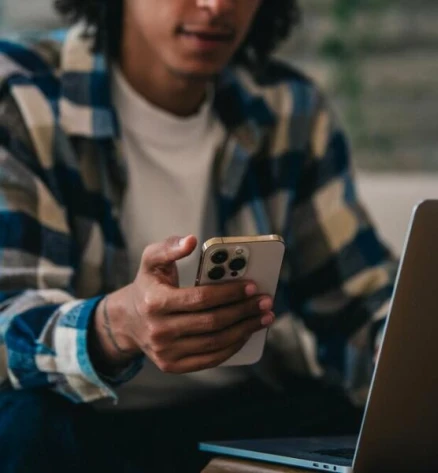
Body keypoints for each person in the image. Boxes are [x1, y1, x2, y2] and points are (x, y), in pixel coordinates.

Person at [0, 0, 397, 471]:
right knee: (26, 425)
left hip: (237, 411)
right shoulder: (21, 95)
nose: (216, 5)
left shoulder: (290, 107)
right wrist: (117, 324)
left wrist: (415, 351)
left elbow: (357, 301)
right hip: (74, 419)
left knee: (362, 428)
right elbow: (7, 319)